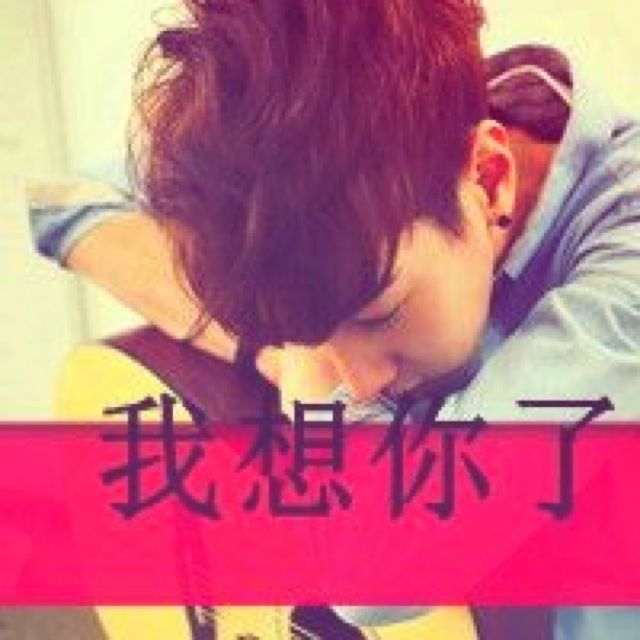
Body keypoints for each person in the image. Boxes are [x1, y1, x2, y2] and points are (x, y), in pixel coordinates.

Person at [28, 0, 640, 636]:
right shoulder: (345, 142)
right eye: (317, 336)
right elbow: (64, 201)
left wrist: (310, 379)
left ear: (488, 180)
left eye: (379, 314)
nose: (358, 382)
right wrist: (267, 340)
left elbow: (379, 571)